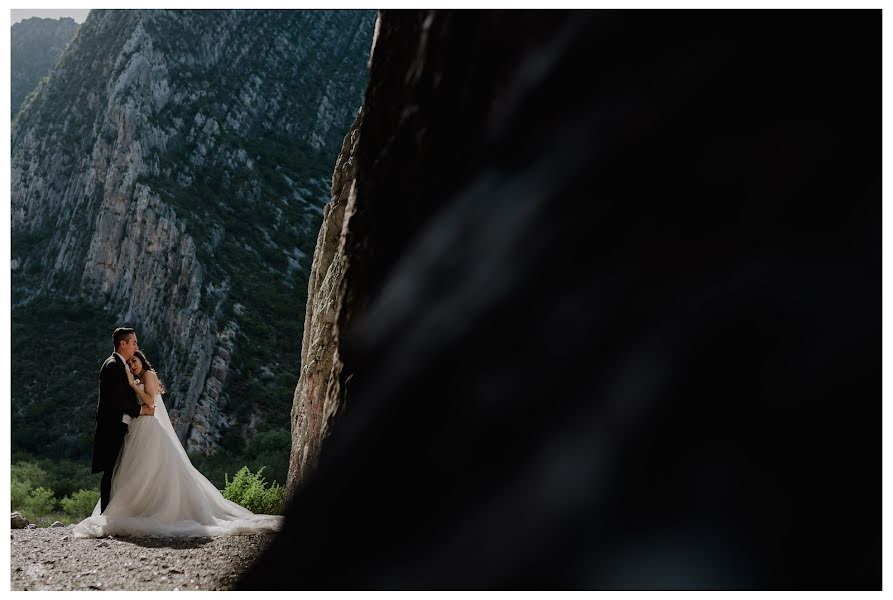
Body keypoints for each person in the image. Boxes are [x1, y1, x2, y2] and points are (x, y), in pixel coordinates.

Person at [74, 349, 283, 537]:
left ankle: (155, 509)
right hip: (139, 428)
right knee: (139, 470)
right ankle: (138, 507)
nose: (132, 366)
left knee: (151, 469)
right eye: (129, 364)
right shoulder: (139, 377)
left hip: (150, 428)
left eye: (135, 361)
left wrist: (131, 384)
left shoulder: (148, 375)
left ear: (142, 360)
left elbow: (150, 402)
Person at [91, 327, 155, 513]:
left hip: (121, 425)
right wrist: (141, 410)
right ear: (123, 343)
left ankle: (113, 513)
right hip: (112, 427)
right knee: (111, 472)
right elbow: (116, 400)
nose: (136, 346)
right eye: (134, 342)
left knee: (117, 471)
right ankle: (106, 515)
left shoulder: (121, 365)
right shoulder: (113, 365)